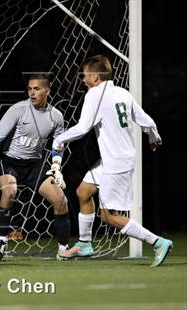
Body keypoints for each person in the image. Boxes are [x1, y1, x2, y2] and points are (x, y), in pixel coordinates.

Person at [53, 55, 173, 266]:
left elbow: (83, 128)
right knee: (83, 191)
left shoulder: (94, 95)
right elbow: (145, 118)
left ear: (96, 77)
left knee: (109, 216)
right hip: (114, 159)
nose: (83, 80)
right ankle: (84, 244)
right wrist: (154, 135)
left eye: (85, 76)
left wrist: (60, 139)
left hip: (116, 162)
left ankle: (157, 242)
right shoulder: (122, 93)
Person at [0, 73, 70, 260]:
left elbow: (59, 144)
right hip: (10, 161)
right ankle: (1, 241)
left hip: (34, 164)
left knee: (61, 200)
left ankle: (63, 249)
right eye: (30, 89)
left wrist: (56, 166)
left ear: (47, 91)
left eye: (37, 89)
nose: (32, 92)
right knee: (9, 192)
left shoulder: (56, 116)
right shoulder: (18, 109)